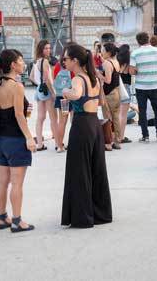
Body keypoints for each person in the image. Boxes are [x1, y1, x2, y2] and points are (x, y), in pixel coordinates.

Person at [61, 44, 112, 228]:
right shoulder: (94, 78)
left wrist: (65, 92)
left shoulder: (78, 79)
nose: (63, 62)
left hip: (82, 124)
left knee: (79, 170)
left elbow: (76, 94)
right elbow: (100, 101)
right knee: (96, 169)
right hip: (94, 124)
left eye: (65, 59)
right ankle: (100, 213)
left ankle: (81, 216)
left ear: (75, 60)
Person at [0, 49, 37, 232]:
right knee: (17, 183)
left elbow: (6, 111)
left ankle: (3, 217)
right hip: (15, 140)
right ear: (13, 65)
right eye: (20, 60)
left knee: (3, 180)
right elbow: (18, 115)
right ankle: (17, 220)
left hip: (1, 140)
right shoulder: (17, 86)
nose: (23, 63)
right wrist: (29, 137)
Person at [130, 31, 157, 142]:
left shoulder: (135, 53)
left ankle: (145, 136)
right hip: (154, 85)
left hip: (141, 87)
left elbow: (131, 71)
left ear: (138, 41)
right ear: (148, 39)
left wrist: (139, 70)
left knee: (142, 111)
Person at [33, 40, 57, 151]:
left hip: (39, 90)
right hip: (47, 91)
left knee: (40, 117)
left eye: (49, 48)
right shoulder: (45, 62)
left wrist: (39, 83)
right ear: (41, 50)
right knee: (53, 118)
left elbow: (31, 77)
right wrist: (53, 93)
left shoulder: (37, 61)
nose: (48, 50)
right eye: (46, 48)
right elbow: (47, 79)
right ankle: (58, 143)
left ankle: (39, 144)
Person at [101, 43, 122, 150]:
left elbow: (108, 80)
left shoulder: (107, 63)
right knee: (116, 117)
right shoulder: (116, 62)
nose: (101, 53)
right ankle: (117, 140)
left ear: (108, 53)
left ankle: (108, 142)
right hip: (116, 92)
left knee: (107, 118)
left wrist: (98, 74)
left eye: (103, 51)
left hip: (109, 93)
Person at [52, 52, 74, 152]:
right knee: (73, 121)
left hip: (61, 97)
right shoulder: (72, 65)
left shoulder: (57, 66)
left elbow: (54, 79)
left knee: (62, 122)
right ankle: (73, 144)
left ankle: (59, 145)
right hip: (72, 96)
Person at [116, 44, 132, 144]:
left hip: (116, 88)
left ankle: (116, 136)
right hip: (125, 88)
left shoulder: (116, 61)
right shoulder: (128, 63)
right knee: (123, 115)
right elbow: (132, 72)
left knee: (116, 115)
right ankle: (121, 137)